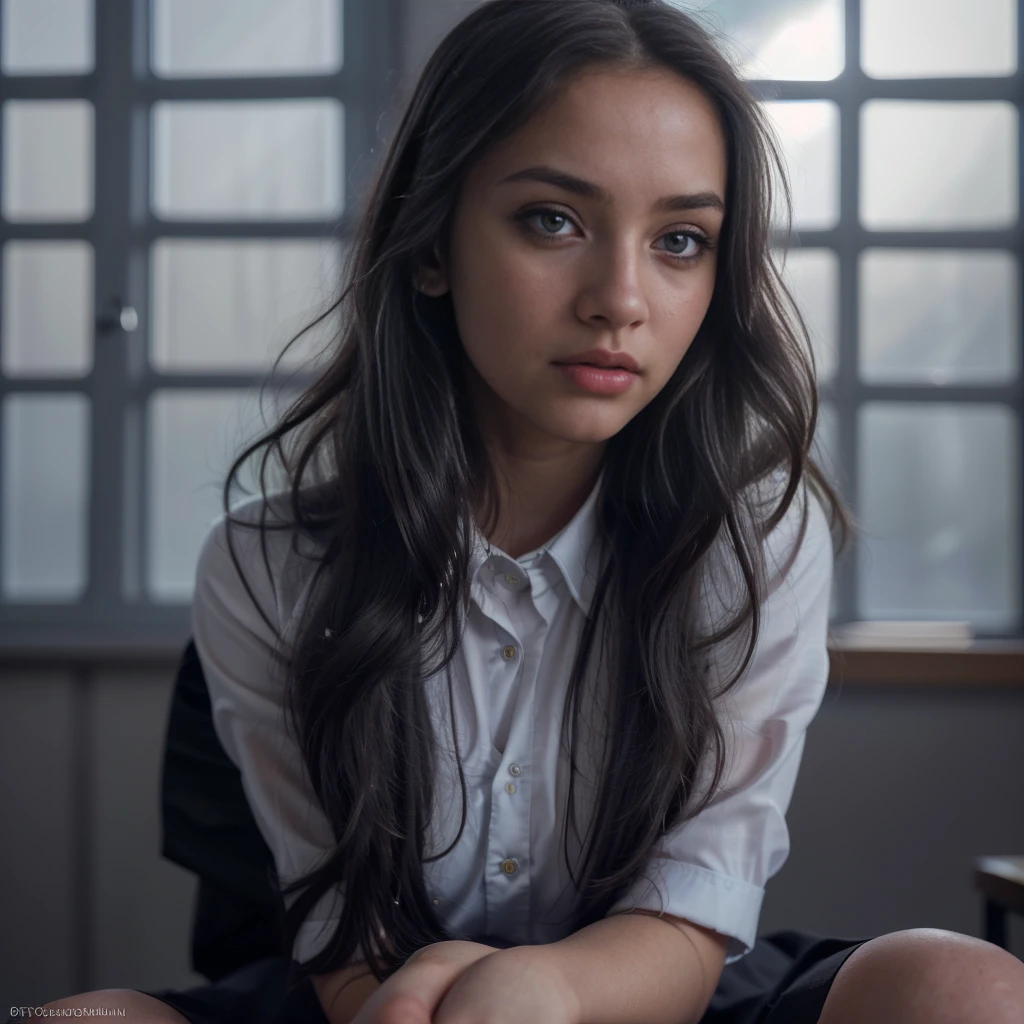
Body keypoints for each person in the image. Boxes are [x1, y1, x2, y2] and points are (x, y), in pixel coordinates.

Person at [41, 1, 1024, 1022]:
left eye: (680, 239)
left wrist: (543, 987)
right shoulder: (264, 564)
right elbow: (341, 943)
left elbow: (690, 920)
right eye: (552, 220)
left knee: (968, 989)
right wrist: (416, 1003)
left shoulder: (752, 540)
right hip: (377, 1007)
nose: (619, 297)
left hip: (651, 993)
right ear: (431, 244)